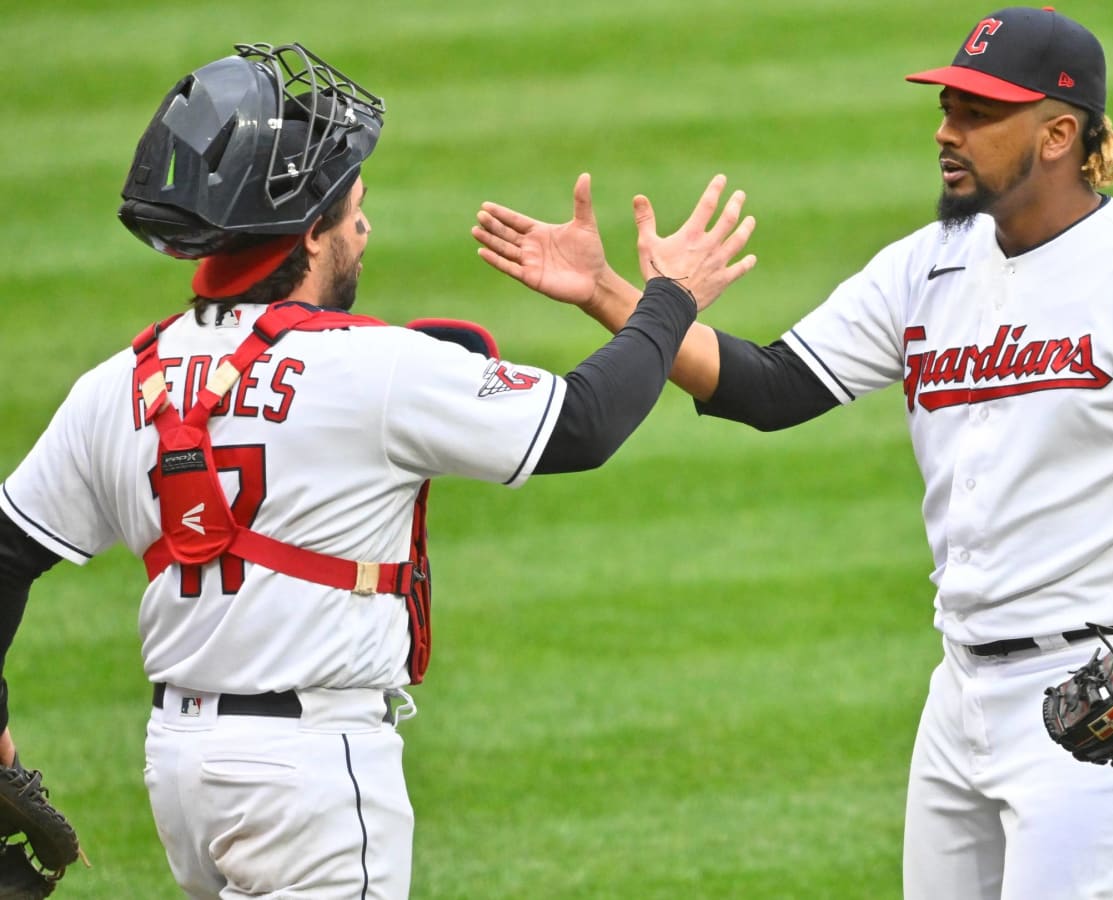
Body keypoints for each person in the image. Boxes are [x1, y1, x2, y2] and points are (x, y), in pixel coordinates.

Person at [472, 7, 1113, 899]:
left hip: (1104, 690)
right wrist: (609, 295)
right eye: (947, 106)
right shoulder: (927, 264)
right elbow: (773, 387)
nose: (945, 130)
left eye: (976, 113)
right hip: (960, 688)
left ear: (1057, 133)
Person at [0, 42, 756, 899]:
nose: (365, 229)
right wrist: (669, 299)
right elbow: (583, 424)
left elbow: (3, 556)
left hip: (181, 773)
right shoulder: (375, 366)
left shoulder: (122, 381)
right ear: (310, 230)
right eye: (354, 208)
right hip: (311, 778)